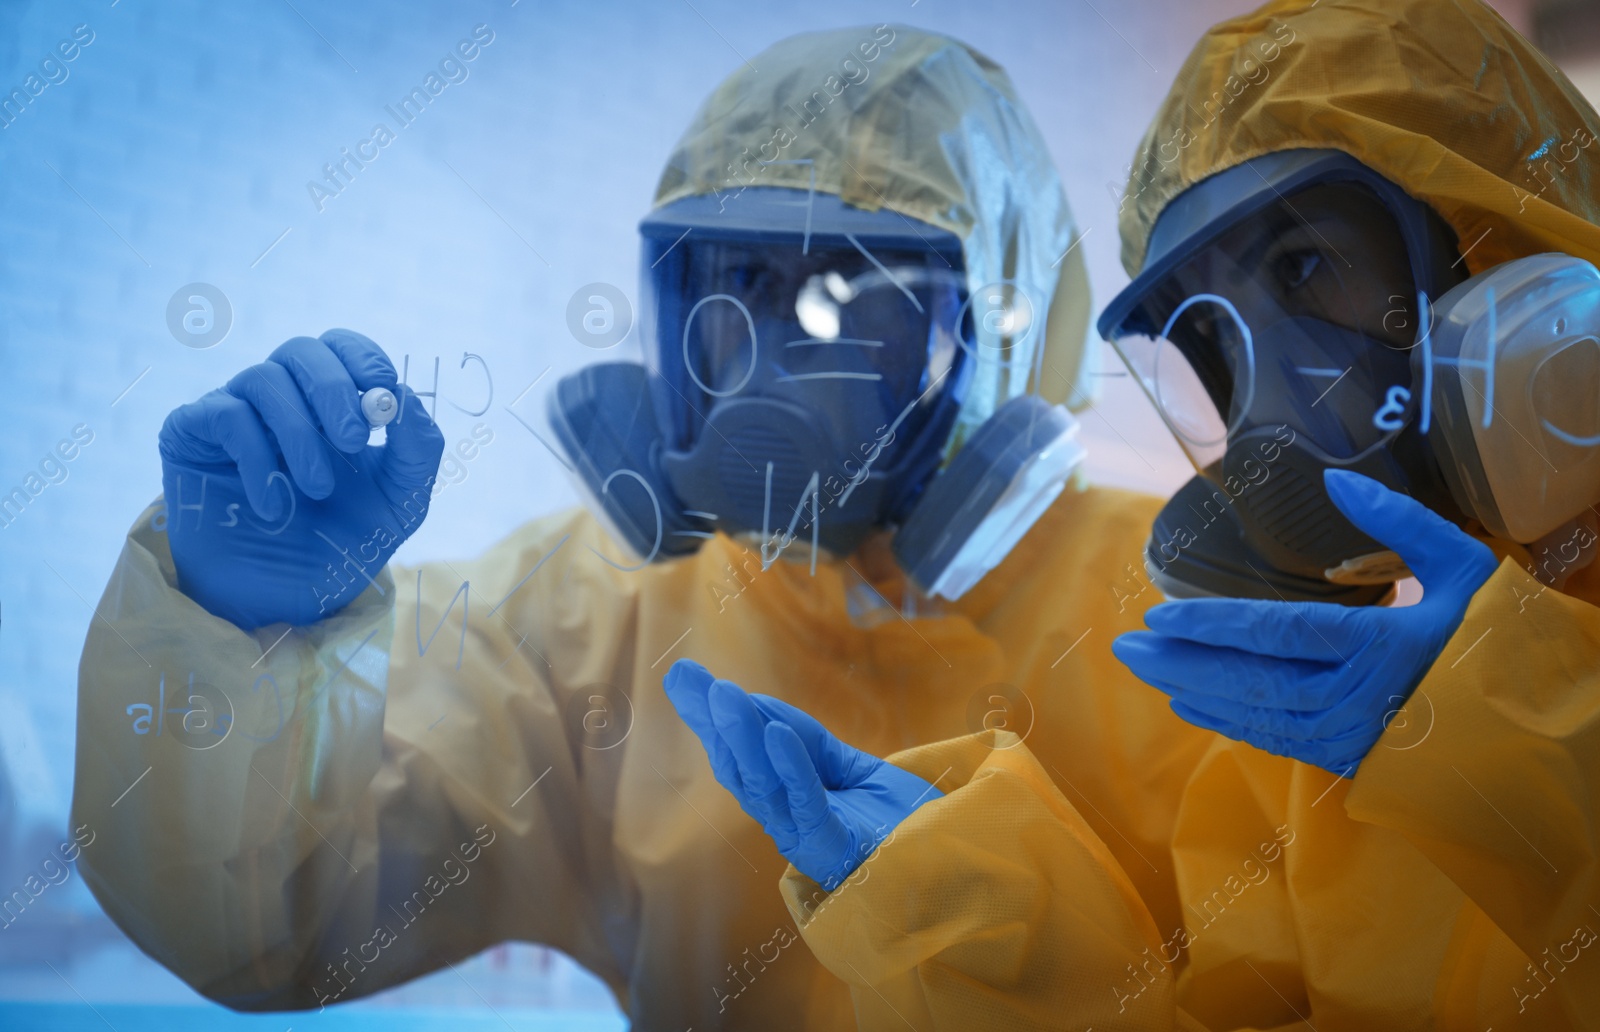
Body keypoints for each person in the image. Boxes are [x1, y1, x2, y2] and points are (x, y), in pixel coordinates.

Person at [67, 25, 1212, 1030]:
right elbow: (274, 926)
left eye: (854, 294)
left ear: (1000, 329)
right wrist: (240, 627)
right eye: (740, 282)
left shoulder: (1189, 618)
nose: (769, 353)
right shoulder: (587, 616)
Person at [668, 1, 1600, 1029]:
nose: (1277, 403)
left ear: (1503, 247)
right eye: (1221, 340)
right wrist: (983, 930)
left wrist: (1527, 749)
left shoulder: (1389, 701)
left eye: (1300, 268)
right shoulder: (1310, 734)